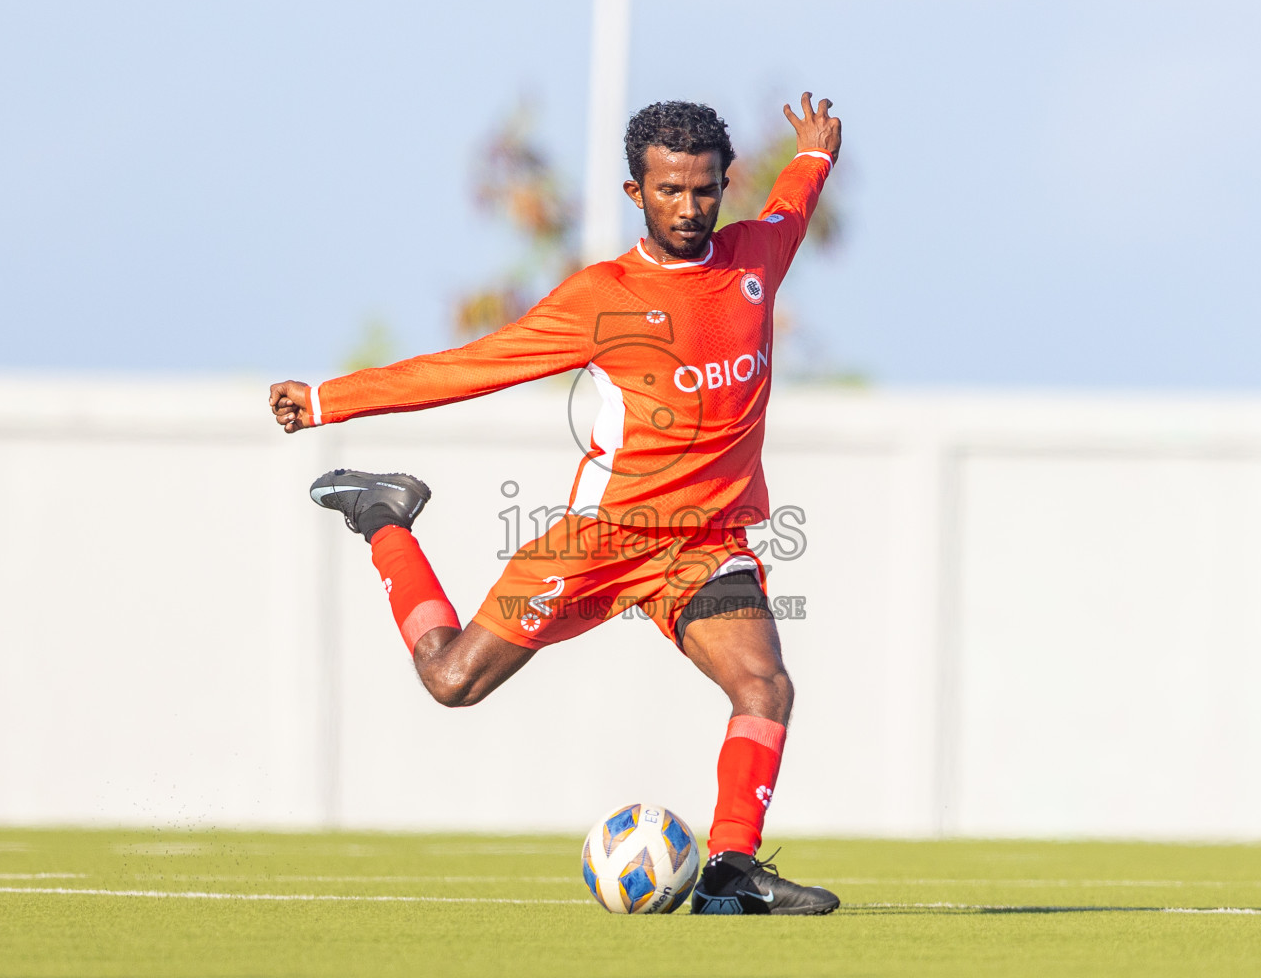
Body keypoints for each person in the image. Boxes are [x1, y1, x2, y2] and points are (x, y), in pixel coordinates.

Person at [269, 94, 842, 915]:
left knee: (765, 688)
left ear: (725, 185)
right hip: (601, 542)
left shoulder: (758, 258)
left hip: (704, 544)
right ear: (633, 193)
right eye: (670, 191)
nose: (689, 207)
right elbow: (472, 365)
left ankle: (730, 876)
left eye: (705, 190)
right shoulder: (601, 297)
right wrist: (330, 399)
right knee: (451, 681)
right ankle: (384, 518)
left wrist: (816, 154)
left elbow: (793, 203)